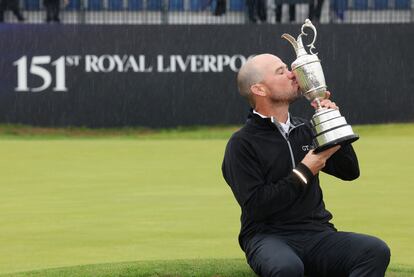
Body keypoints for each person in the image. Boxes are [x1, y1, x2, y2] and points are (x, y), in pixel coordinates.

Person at [222, 53, 390, 277]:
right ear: (259, 89)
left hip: (316, 233)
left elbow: (350, 172)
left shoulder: (307, 129)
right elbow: (257, 205)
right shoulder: (242, 143)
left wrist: (331, 124)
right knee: (287, 268)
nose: (293, 74)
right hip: (267, 236)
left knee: (374, 251)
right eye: (281, 71)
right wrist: (304, 170)